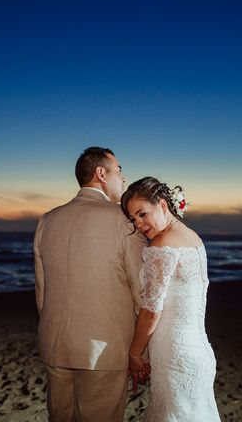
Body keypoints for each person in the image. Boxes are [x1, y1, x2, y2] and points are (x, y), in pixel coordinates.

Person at [34, 147, 147, 422]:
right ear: (101, 174)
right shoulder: (123, 220)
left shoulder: (47, 220)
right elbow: (142, 291)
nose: (123, 177)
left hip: (55, 344)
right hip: (104, 349)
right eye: (119, 170)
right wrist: (139, 351)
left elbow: (42, 291)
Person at [121, 177, 221, 421]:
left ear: (163, 205)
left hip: (174, 354)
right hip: (199, 351)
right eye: (134, 219)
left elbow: (151, 310)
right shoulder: (193, 239)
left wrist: (135, 354)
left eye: (143, 214)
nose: (140, 224)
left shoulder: (162, 243)